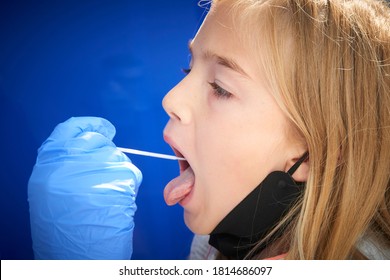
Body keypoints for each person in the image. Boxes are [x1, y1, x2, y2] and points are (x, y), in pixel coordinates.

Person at [28, 0, 390, 260]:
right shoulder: (211, 246)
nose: (171, 98)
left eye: (220, 87)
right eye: (189, 70)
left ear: (316, 147)